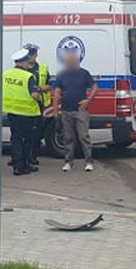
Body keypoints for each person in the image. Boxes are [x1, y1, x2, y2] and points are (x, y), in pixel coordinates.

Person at [51, 39, 97, 172]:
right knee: (68, 138)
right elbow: (57, 93)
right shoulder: (62, 75)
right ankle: (68, 162)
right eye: (67, 62)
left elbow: (95, 87)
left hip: (80, 111)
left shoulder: (84, 74)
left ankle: (88, 161)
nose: (70, 64)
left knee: (84, 137)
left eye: (72, 61)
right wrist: (55, 112)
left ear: (77, 61)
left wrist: (88, 101)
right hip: (65, 110)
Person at [3, 48, 42, 176]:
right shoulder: (28, 76)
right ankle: (24, 165)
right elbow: (34, 95)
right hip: (28, 113)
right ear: (24, 62)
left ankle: (17, 165)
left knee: (16, 139)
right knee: (28, 140)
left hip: (12, 112)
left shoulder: (6, 74)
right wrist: (41, 97)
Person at [24, 43, 49, 166]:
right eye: (31, 54)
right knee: (22, 134)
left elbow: (50, 84)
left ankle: (33, 156)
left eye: (34, 54)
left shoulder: (43, 68)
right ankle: (20, 158)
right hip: (25, 105)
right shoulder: (21, 69)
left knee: (37, 133)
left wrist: (42, 88)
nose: (34, 57)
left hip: (38, 104)